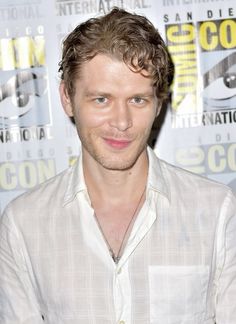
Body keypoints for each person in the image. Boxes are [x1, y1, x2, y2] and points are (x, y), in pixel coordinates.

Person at [0, 7, 235, 324]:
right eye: (101, 100)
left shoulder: (217, 211)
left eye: (137, 100)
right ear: (67, 98)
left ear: (158, 104)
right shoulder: (23, 224)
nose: (121, 122)